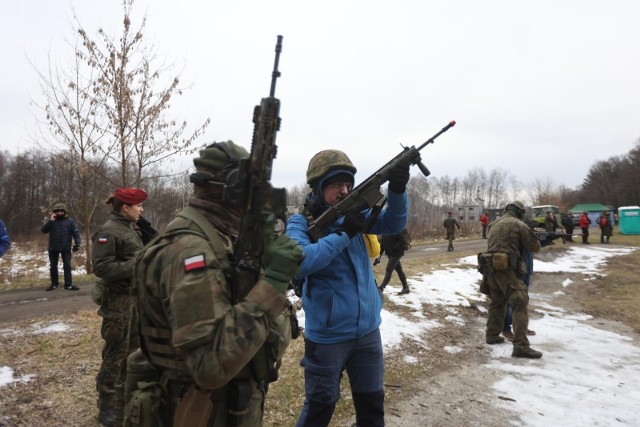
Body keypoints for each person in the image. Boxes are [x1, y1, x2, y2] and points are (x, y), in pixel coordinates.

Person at [126, 141, 303, 426]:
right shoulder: (191, 252)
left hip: (225, 407)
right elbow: (210, 366)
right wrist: (273, 282)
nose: (259, 198)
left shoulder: (217, 236)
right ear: (231, 189)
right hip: (200, 411)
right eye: (252, 188)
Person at [286, 149, 409, 427]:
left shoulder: (357, 213)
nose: (343, 191)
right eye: (334, 185)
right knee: (319, 409)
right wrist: (344, 234)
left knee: (372, 408)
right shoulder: (300, 223)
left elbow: (394, 223)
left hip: (367, 332)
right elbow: (300, 262)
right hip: (327, 337)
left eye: (346, 185)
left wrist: (398, 190)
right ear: (318, 189)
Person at [91, 188, 149, 426]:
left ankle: (124, 399)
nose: (142, 209)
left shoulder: (128, 229)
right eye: (138, 206)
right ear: (126, 207)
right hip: (118, 303)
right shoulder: (108, 231)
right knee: (115, 355)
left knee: (133, 351)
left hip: (134, 301)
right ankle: (106, 406)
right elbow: (102, 268)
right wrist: (138, 264)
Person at [479, 200, 543, 359]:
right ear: (521, 212)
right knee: (520, 302)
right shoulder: (519, 225)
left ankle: (492, 335)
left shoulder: (493, 224)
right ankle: (521, 346)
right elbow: (535, 247)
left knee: (497, 301)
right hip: (506, 269)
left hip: (490, 268)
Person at [41, 203, 81, 291]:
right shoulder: (51, 221)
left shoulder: (70, 221)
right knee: (53, 266)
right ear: (54, 212)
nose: (59, 213)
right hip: (53, 248)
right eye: (57, 211)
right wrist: (50, 221)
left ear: (65, 211)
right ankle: (54, 284)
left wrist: (77, 243)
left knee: (67, 266)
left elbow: (76, 232)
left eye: (61, 211)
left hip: (66, 247)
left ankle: (68, 285)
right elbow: (43, 230)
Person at [378, 229, 411, 295]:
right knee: (399, 270)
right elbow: (383, 243)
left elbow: (402, 241)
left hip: (397, 253)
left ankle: (381, 288)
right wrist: (380, 254)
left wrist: (393, 248)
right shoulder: (385, 231)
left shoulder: (396, 228)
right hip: (391, 254)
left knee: (389, 269)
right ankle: (406, 287)